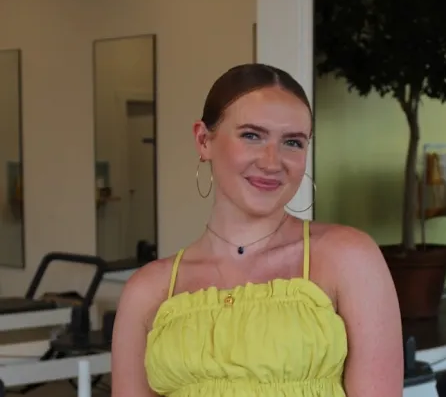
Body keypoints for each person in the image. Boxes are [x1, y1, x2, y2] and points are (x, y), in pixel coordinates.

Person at [111, 63, 403, 397]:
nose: (271, 161)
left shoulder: (348, 258)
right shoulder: (148, 291)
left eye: (292, 142)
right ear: (203, 140)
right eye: (252, 136)